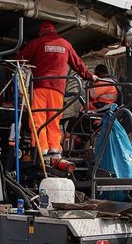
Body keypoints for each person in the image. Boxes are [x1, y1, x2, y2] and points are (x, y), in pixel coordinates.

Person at [19, 21, 94, 157]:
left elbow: (20, 59)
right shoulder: (65, 44)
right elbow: (78, 64)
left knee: (38, 117)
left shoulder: (36, 43)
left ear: (41, 32)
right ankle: (54, 147)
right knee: (54, 118)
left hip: (39, 86)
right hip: (57, 89)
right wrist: (90, 76)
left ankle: (41, 148)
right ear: (55, 31)